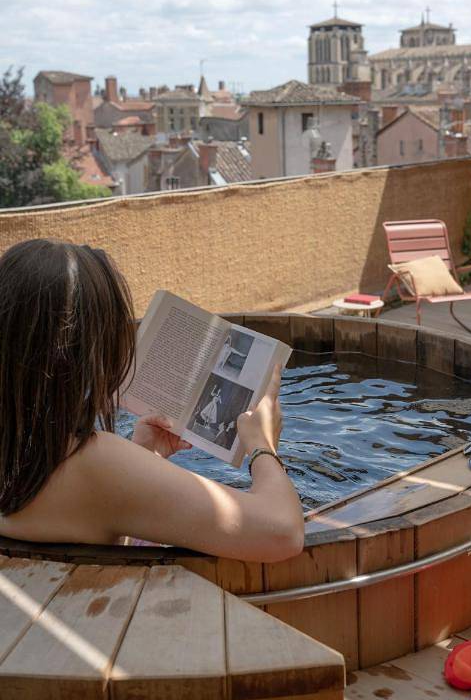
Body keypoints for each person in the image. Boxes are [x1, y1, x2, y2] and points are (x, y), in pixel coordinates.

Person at [0, 240, 304, 563]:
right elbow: (282, 533)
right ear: (86, 356)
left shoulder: (21, 450)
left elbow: (85, 508)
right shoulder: (92, 462)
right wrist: (262, 445)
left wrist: (141, 457)